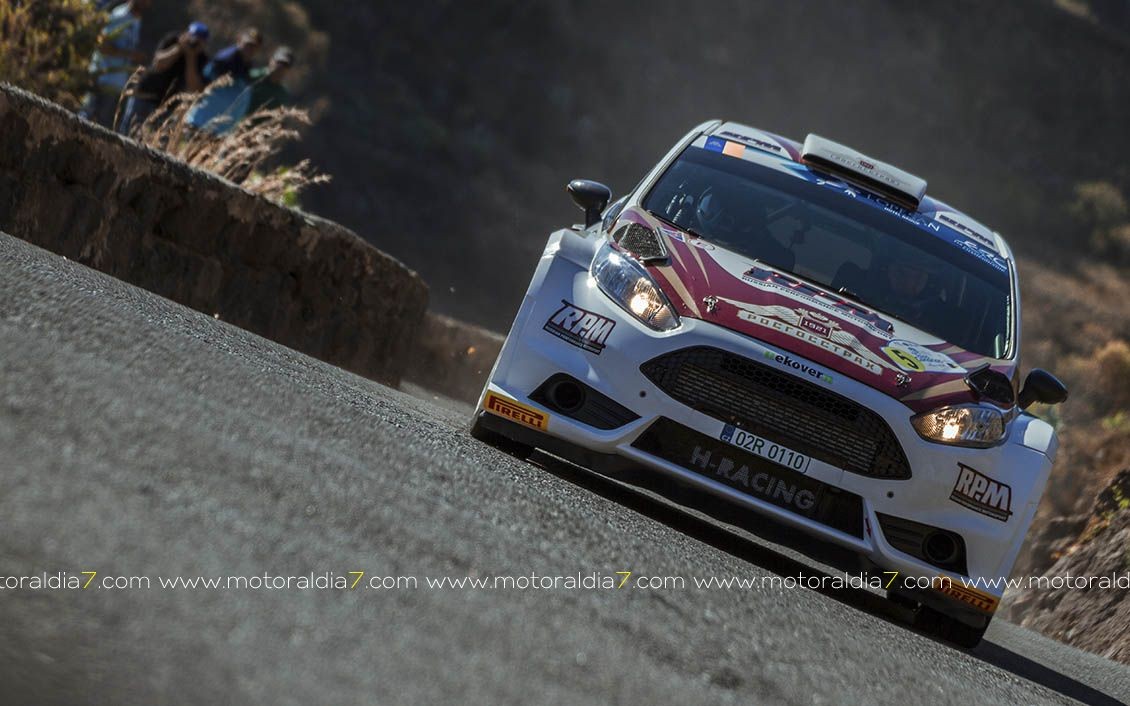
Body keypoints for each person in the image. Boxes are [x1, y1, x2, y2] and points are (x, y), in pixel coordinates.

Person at [118, 22, 211, 134]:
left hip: (165, 107)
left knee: (149, 139)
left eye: (198, 41)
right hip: (144, 95)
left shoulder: (202, 60)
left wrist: (191, 57)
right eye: (192, 37)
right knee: (127, 131)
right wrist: (179, 48)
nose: (193, 42)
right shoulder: (173, 40)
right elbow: (158, 64)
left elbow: (194, 87)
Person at [78, 0, 151, 128]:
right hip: (101, 78)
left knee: (101, 127)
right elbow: (103, 46)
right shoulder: (120, 15)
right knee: (84, 119)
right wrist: (130, 54)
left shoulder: (137, 20)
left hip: (116, 84)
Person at [247, 47, 295, 114]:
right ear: (271, 60)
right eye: (279, 62)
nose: (280, 67)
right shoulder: (252, 77)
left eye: (285, 65)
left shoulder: (283, 94)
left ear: (289, 70)